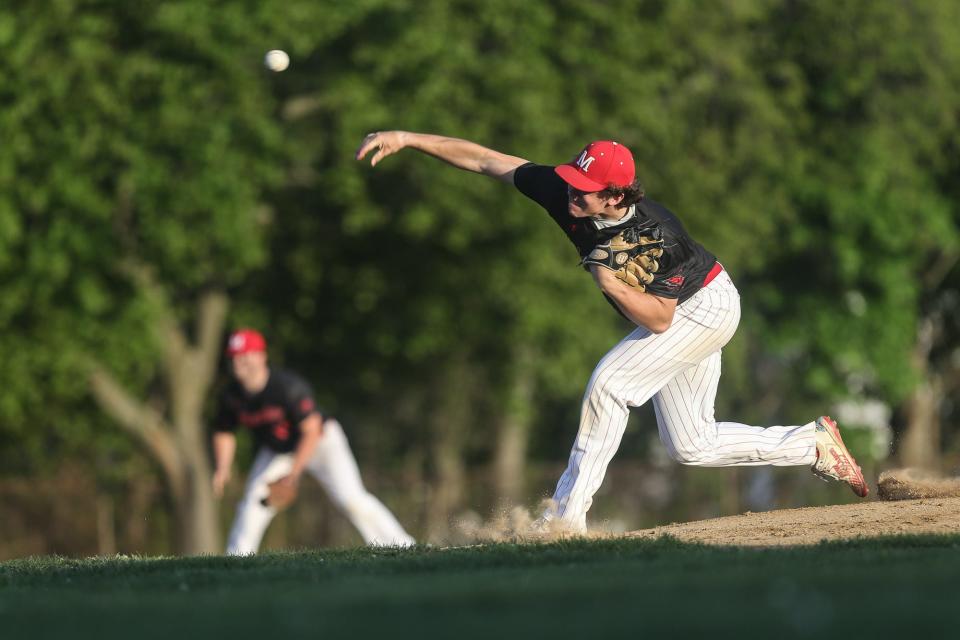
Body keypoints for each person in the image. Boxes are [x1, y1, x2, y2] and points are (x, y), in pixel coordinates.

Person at [355, 131, 869, 533]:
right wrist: (410, 139)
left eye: (586, 192)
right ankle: (812, 446)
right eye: (572, 184)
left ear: (618, 195)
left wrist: (611, 284)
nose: (572, 196)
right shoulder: (566, 191)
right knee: (692, 445)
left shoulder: (655, 232)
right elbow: (489, 161)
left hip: (702, 306)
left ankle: (566, 517)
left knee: (609, 385)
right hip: (681, 311)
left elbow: (660, 319)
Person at [212, 328, 415, 553]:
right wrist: (222, 467)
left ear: (261, 356)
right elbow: (224, 431)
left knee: (351, 499)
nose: (239, 361)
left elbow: (311, 430)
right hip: (278, 450)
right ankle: (237, 558)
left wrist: (293, 475)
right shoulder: (231, 396)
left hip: (321, 442)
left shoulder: (286, 386)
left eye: (245, 354)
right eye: (234, 356)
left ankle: (402, 546)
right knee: (253, 501)